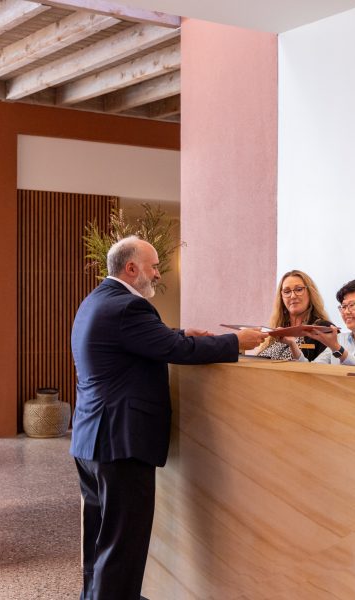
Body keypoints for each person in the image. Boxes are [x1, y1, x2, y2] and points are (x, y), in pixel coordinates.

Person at [70, 235, 267, 600]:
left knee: (100, 542)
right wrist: (234, 342)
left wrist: (176, 332)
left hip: (91, 441)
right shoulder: (130, 307)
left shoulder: (96, 301)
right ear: (132, 268)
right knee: (122, 549)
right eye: (154, 266)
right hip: (121, 445)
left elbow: (145, 342)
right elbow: (176, 350)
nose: (158, 274)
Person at [256, 269, 331, 361]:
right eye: (287, 292)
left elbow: (324, 370)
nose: (293, 296)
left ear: (310, 293)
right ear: (282, 297)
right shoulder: (277, 330)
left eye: (299, 289)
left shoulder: (323, 329)